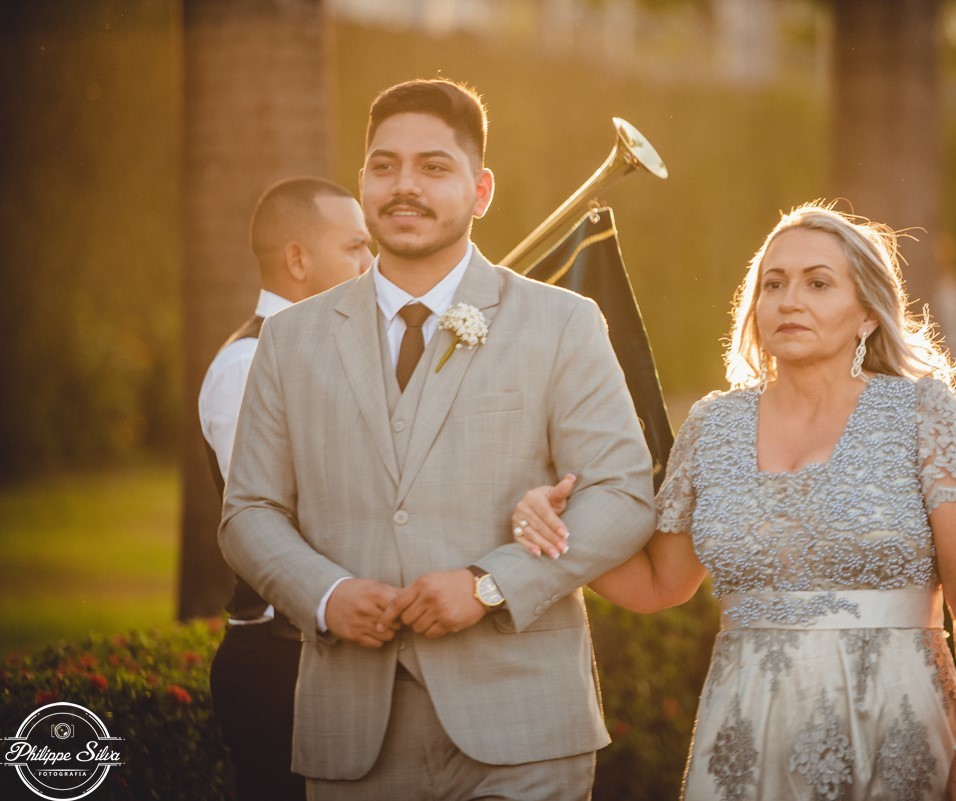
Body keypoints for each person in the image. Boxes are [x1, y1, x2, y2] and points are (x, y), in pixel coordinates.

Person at [218, 78, 656, 800]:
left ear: (480, 191)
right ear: (363, 182)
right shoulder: (291, 340)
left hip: (524, 728)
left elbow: (624, 495)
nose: (404, 186)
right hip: (352, 736)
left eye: (433, 167)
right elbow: (248, 512)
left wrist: (489, 584)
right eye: (384, 166)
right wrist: (325, 595)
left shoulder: (562, 323)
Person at [514, 203, 956, 800]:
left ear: (866, 313)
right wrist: (555, 528)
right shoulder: (714, 425)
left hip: (895, 725)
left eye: (818, 284)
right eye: (773, 285)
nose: (789, 301)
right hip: (746, 731)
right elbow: (658, 583)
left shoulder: (922, 413)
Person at [200, 176, 373, 801]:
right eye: (355, 247)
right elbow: (279, 517)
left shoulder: (342, 355)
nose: (372, 264)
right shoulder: (246, 366)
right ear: (297, 260)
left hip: (339, 651)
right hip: (281, 659)